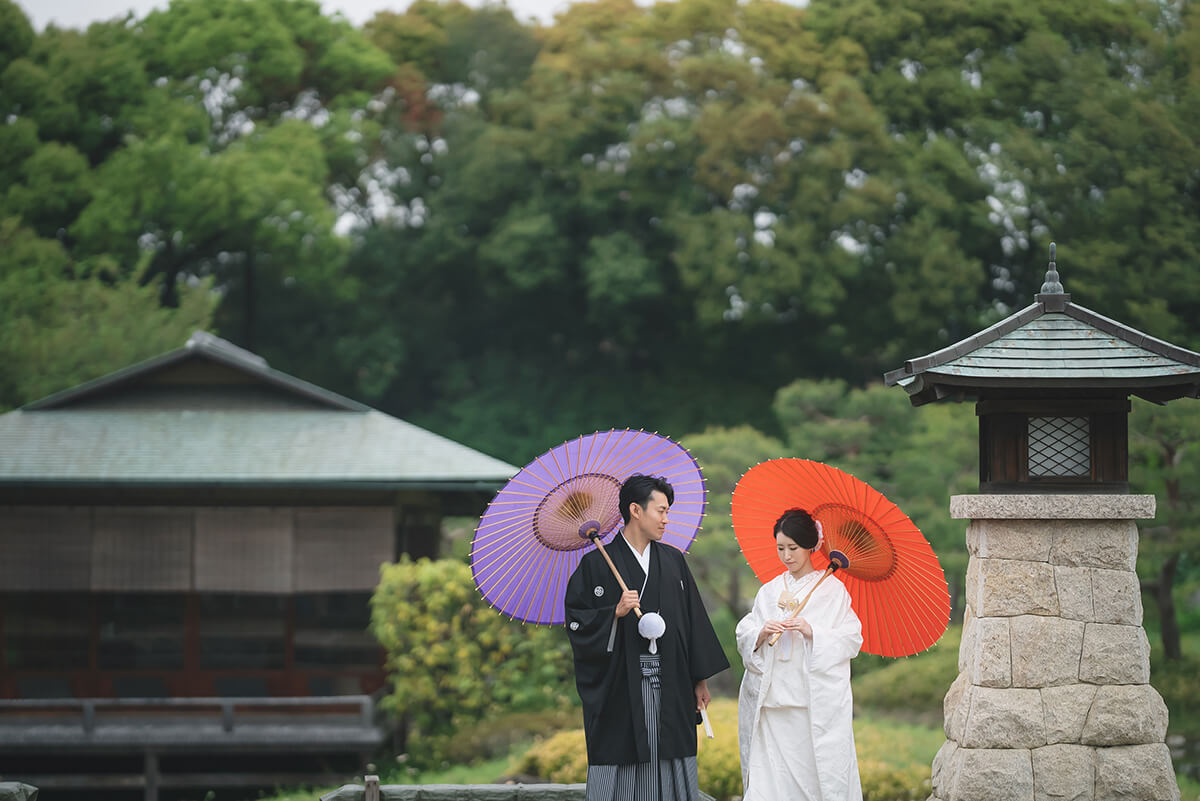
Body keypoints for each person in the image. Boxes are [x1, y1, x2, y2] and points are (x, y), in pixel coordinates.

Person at [564, 473, 729, 801]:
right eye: (662, 511)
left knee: (670, 759)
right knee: (623, 757)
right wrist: (614, 612)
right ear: (636, 511)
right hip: (622, 685)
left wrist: (699, 681)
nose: (666, 519)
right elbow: (577, 622)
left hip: (673, 680)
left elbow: (692, 621)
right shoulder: (596, 565)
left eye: (668, 512)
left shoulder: (672, 561)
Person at [735, 508, 863, 801]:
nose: (786, 555)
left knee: (811, 781)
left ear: (810, 545)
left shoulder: (832, 590)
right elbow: (746, 630)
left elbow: (851, 638)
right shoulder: (769, 591)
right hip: (771, 704)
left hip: (809, 708)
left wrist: (812, 631)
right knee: (768, 784)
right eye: (780, 548)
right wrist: (762, 632)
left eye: (793, 548)